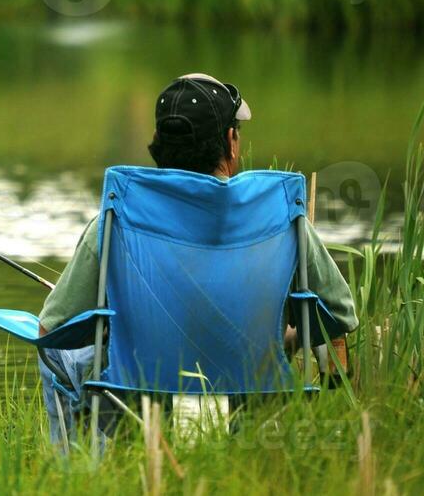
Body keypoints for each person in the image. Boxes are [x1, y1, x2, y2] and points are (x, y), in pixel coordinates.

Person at [36, 73, 359, 443]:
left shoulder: (117, 218)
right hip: (255, 408)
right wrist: (275, 337)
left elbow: (51, 330)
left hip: (137, 407)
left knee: (61, 354)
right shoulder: (282, 218)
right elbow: (339, 318)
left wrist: (117, 330)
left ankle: (76, 473)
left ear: (157, 144)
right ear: (230, 143)